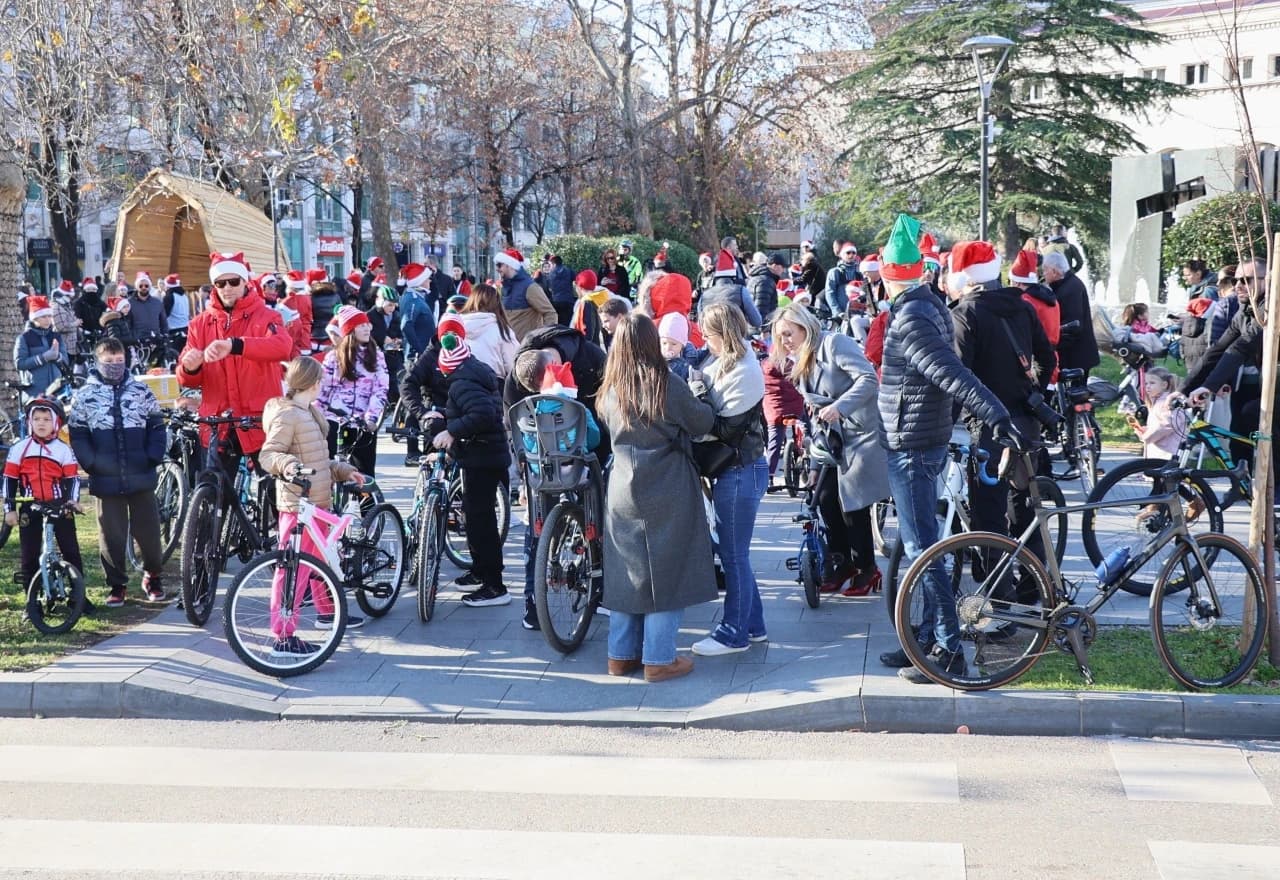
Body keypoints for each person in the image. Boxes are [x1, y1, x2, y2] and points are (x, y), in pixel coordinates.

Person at [873, 216, 1021, 683]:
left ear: (889, 276)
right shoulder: (927, 305)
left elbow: (948, 373)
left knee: (923, 548)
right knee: (920, 543)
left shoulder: (913, 314)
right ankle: (922, 637)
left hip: (913, 443)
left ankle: (946, 648)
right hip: (918, 437)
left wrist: (996, 414)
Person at [597, 313, 716, 682]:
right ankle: (659, 659)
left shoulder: (610, 390)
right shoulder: (666, 383)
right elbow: (702, 422)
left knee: (625, 573)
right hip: (666, 484)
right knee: (668, 574)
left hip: (621, 487)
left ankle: (621, 656)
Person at [950, 239, 1055, 582]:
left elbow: (959, 375)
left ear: (966, 276)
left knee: (989, 515)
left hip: (988, 425)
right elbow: (1047, 356)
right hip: (1025, 418)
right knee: (1026, 509)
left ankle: (998, 600)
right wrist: (1033, 390)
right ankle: (1035, 589)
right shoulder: (1022, 306)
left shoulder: (966, 314)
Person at [773, 304, 889, 596]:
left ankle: (867, 568)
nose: (784, 341)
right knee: (824, 497)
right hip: (833, 438)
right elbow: (812, 413)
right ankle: (841, 562)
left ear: (804, 327)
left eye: (788, 333)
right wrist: (813, 466)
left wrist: (840, 406)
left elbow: (867, 378)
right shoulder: (799, 360)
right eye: (780, 337)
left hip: (860, 431)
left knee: (853, 502)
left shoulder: (834, 343)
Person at [259, 357, 365, 654]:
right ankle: (283, 634)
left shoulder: (310, 413)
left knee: (322, 562)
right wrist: (289, 466)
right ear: (313, 382)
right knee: (292, 570)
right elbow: (269, 455)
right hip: (297, 505)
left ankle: (326, 611)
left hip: (317, 502)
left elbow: (319, 461)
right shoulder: (288, 415)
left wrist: (342, 470)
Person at [688, 304, 769, 655]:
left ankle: (733, 633)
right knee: (735, 552)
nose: (705, 342)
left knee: (734, 556)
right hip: (736, 470)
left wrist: (698, 394)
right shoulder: (727, 361)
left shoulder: (745, 372)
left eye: (709, 335)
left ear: (725, 335)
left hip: (740, 469)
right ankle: (754, 626)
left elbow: (723, 429)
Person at [69, 339, 168, 605]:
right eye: (109, 361)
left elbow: (157, 426)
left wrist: (152, 456)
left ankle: (153, 575)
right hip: (105, 477)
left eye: (119, 360)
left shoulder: (141, 391)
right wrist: (92, 463)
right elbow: (77, 433)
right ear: (98, 361)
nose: (115, 366)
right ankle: (117, 584)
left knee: (148, 532)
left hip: (141, 473)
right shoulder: (85, 395)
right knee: (111, 534)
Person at [177, 252, 293, 468]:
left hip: (259, 419)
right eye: (220, 283)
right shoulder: (199, 324)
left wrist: (236, 345)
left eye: (233, 281)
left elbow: (283, 347)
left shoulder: (267, 316)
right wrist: (189, 368)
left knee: (272, 489)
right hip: (217, 420)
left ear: (245, 282)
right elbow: (188, 381)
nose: (227, 288)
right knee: (213, 489)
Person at [431, 325, 513, 608]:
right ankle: (480, 570)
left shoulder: (462, 382)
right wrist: (443, 414)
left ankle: (495, 586)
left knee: (482, 522)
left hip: (483, 457)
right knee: (476, 517)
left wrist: (451, 431)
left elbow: (482, 414)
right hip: (484, 455)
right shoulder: (473, 372)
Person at [1184, 258, 1272, 473]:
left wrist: (1210, 386)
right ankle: (1243, 483)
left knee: (1255, 417)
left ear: (1266, 281)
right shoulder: (1244, 310)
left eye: (1247, 280)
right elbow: (1217, 349)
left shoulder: (1269, 309)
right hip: (1255, 382)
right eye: (1235, 280)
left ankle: (1274, 489)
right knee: (1238, 429)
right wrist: (1183, 389)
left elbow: (1241, 347)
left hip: (1271, 385)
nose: (1238, 285)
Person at [4, 398, 84, 604]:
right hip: (30, 505)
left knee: (70, 550)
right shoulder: (20, 448)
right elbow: (9, 480)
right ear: (29, 422)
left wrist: (73, 501)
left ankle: (78, 596)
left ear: (56, 422)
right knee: (29, 555)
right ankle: (31, 602)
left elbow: (73, 479)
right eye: (37, 419)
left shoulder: (63, 449)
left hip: (59, 504)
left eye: (47, 419)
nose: (41, 423)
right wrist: (9, 509)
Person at [317, 305, 387, 478]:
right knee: (327, 471)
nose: (366, 328)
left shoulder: (377, 355)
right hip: (334, 420)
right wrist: (316, 417)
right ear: (349, 330)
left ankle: (367, 505)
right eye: (361, 325)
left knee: (365, 475)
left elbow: (381, 389)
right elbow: (322, 391)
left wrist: (371, 418)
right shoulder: (333, 357)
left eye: (367, 324)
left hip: (363, 422)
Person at [1042, 251, 1099, 376]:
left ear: (1054, 271)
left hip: (1076, 356)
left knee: (1076, 393)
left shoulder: (1070, 289)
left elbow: (1072, 325)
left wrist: (1051, 346)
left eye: (1045, 270)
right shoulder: (1067, 284)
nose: (1043, 274)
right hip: (1074, 354)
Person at [761, 339, 805, 492]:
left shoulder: (764, 367)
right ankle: (804, 453)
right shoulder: (794, 366)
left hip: (774, 409)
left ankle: (768, 477)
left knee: (774, 442)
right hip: (795, 407)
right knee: (807, 427)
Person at [458, 282, 519, 380]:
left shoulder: (457, 326)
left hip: (460, 384)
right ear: (497, 304)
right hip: (493, 385)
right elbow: (514, 366)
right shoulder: (502, 330)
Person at [14, 296, 66, 406]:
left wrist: (57, 357)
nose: (48, 320)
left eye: (49, 316)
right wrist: (44, 357)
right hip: (34, 391)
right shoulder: (24, 338)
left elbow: (65, 360)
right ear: (34, 318)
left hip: (56, 389)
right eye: (43, 317)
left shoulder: (56, 336)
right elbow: (19, 363)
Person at [497, 249, 556, 341]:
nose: (497, 269)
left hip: (527, 349)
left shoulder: (530, 287)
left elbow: (550, 313)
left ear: (509, 265)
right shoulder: (505, 287)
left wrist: (543, 340)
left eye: (499, 265)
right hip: (510, 348)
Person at [1128, 366, 1185, 460]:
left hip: (1168, 453)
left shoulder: (1167, 403)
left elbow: (1168, 424)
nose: (1147, 386)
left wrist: (1147, 436)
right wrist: (1147, 430)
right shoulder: (1157, 402)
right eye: (1146, 383)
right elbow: (1159, 425)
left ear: (1164, 385)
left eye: (1152, 383)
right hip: (1161, 452)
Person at [699, 248, 762, 327]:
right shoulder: (741, 291)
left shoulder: (704, 296)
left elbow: (700, 325)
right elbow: (757, 322)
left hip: (712, 338)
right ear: (733, 273)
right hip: (736, 337)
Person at [398, 263, 438, 360]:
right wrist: (419, 349)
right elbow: (406, 325)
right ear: (420, 281)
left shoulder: (416, 297)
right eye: (427, 278)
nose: (429, 280)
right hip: (417, 356)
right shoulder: (413, 298)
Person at [569, 269, 610, 346]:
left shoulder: (587, 303)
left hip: (589, 351)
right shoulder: (601, 299)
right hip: (600, 349)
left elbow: (587, 333)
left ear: (580, 287)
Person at [823, 243, 861, 319]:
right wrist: (837, 312)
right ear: (842, 255)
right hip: (840, 315)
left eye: (854, 253)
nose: (851, 255)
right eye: (848, 252)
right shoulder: (834, 272)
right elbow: (830, 294)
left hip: (857, 313)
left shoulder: (860, 272)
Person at [658, 312, 698, 381]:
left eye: (673, 344)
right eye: (664, 343)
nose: (668, 348)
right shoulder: (659, 362)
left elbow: (697, 356)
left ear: (682, 345)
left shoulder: (689, 351)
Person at [748, 252, 784, 322]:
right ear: (774, 266)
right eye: (782, 267)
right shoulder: (766, 281)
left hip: (752, 324)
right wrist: (764, 330)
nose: (783, 270)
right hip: (759, 328)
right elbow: (761, 308)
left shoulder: (757, 277)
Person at [49, 280, 81, 361]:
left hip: (71, 346)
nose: (71, 298)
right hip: (65, 346)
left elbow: (70, 318)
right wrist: (75, 323)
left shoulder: (65, 305)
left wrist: (76, 321)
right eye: (69, 296)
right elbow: (61, 327)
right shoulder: (57, 307)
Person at [543, 254, 576, 326]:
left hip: (556, 302)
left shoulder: (550, 274)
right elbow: (576, 280)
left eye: (550, 265)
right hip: (569, 301)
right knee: (568, 324)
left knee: (558, 324)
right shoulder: (569, 271)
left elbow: (548, 288)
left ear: (553, 264)